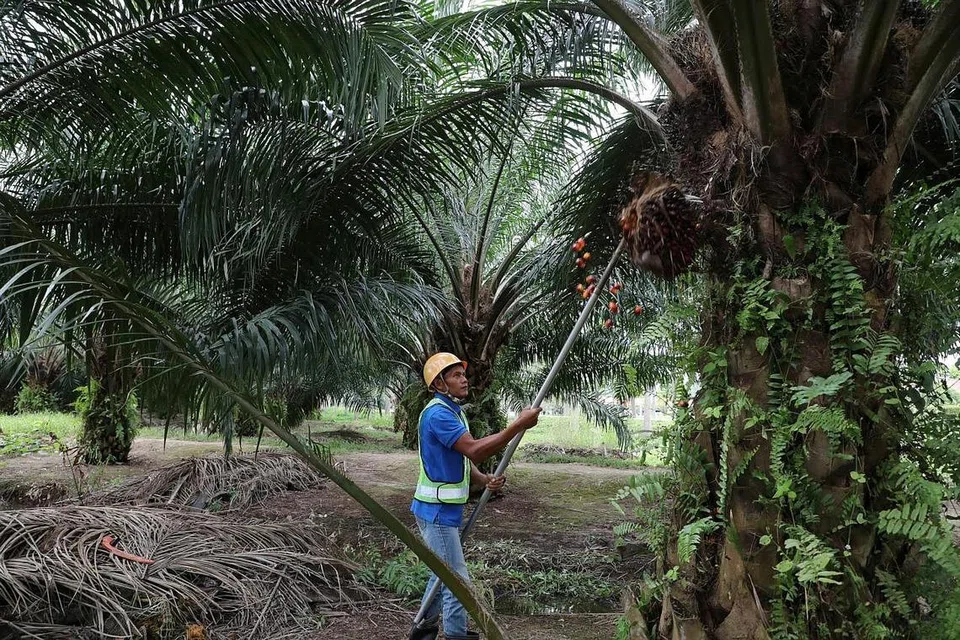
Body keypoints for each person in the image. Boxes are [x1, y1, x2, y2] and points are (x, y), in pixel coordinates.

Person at [408, 352, 541, 640]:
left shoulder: (453, 411)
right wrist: (518, 425)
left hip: (442, 509)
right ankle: (456, 635)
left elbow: (459, 459)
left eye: (462, 373)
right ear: (440, 384)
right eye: (455, 375)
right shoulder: (439, 414)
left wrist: (482, 479)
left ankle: (423, 631)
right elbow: (474, 450)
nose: (463, 378)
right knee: (457, 581)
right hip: (437, 512)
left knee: (441, 575)